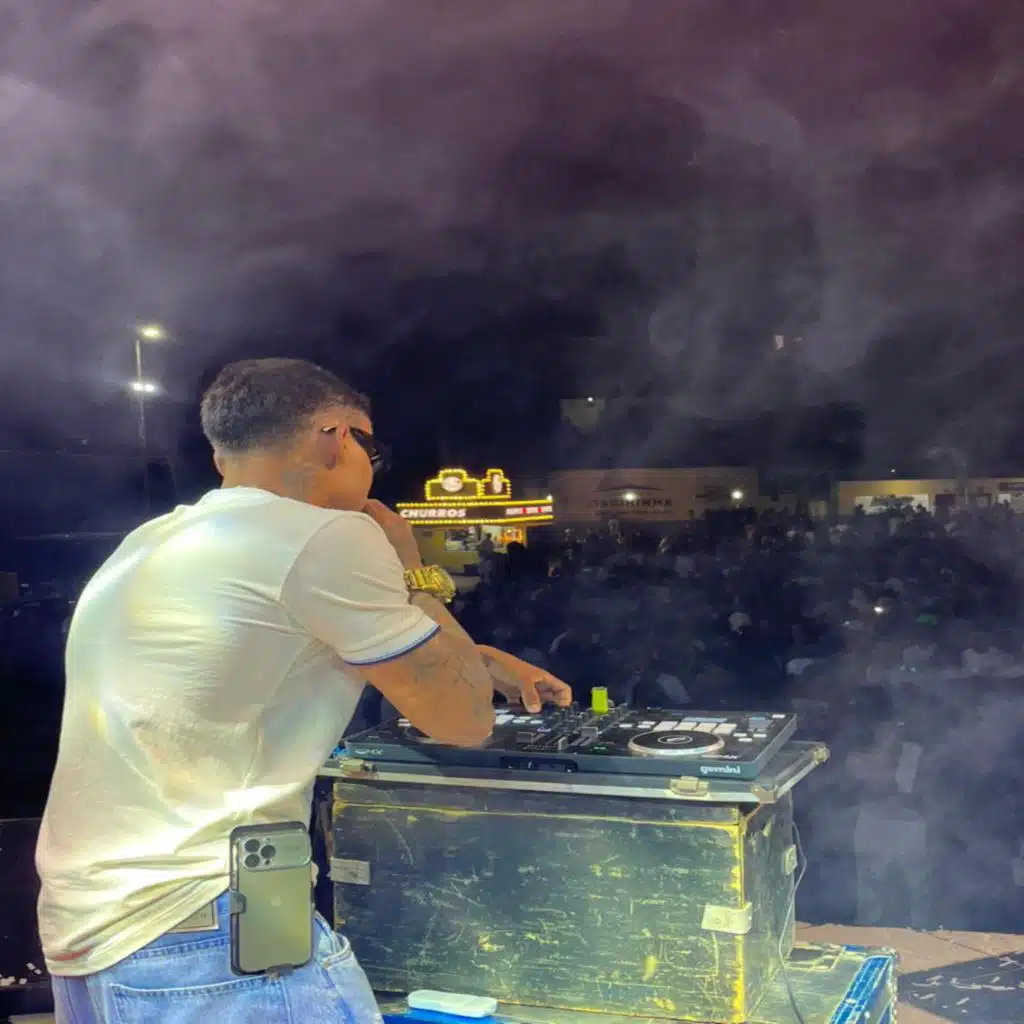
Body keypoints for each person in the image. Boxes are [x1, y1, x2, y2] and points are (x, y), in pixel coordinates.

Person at [37, 357, 572, 1023]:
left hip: (96, 938)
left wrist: (482, 657)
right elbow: (465, 720)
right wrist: (410, 566)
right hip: (212, 934)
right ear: (337, 437)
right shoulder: (328, 534)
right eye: (371, 448)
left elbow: (254, 653)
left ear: (223, 453)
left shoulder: (150, 543)